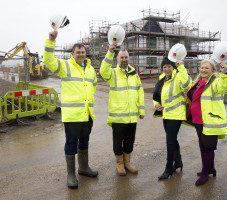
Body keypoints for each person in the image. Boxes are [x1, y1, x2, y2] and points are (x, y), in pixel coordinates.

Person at [43, 31, 98, 189]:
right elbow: (48, 60)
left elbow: (92, 85)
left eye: (83, 52)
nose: (81, 54)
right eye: (77, 52)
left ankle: (83, 168)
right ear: (72, 54)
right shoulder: (65, 65)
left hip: (87, 114)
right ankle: (71, 174)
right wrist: (51, 41)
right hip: (72, 116)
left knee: (84, 142)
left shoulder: (90, 69)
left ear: (85, 53)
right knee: (71, 144)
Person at [100, 43, 145, 176]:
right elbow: (103, 71)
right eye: (122, 57)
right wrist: (109, 52)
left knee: (130, 140)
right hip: (118, 116)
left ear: (128, 58)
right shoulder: (112, 73)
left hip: (132, 116)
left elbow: (140, 92)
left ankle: (128, 162)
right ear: (117, 59)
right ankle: (119, 163)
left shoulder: (134, 74)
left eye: (126, 57)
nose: (124, 60)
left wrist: (141, 110)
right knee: (118, 141)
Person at [186, 59, 227, 186]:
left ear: (213, 70)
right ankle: (210, 168)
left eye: (207, 68)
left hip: (208, 120)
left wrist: (225, 73)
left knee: (207, 147)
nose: (203, 70)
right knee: (204, 146)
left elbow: (224, 86)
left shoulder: (216, 81)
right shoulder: (198, 81)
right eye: (202, 67)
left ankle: (205, 173)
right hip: (197, 120)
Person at [153, 57, 192, 180]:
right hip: (166, 114)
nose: (167, 69)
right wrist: (156, 105)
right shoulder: (161, 78)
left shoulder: (179, 76)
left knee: (169, 141)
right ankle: (178, 162)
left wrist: (181, 67)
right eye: (164, 67)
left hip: (177, 114)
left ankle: (168, 168)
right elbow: (156, 95)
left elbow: (187, 85)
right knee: (173, 139)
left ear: (173, 67)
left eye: (169, 66)